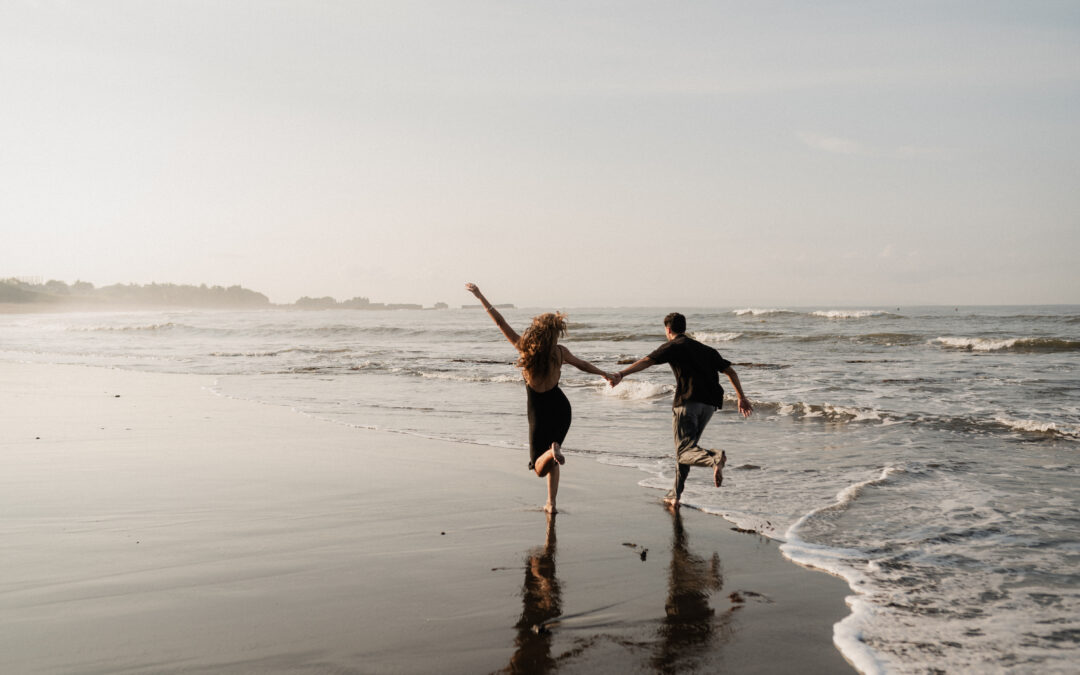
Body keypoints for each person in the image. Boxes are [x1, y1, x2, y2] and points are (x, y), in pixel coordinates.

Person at [466, 283, 615, 514]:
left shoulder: (525, 349)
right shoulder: (561, 352)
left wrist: (480, 297)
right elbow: (583, 365)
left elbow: (500, 322)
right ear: (556, 332)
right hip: (561, 409)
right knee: (552, 459)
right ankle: (551, 503)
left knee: (539, 466)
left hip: (539, 411)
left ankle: (551, 458)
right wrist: (604, 374)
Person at [611, 312, 752, 508]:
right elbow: (730, 371)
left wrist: (621, 374)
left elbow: (647, 361)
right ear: (684, 328)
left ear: (668, 329)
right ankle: (675, 495)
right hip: (710, 405)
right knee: (688, 448)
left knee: (684, 451)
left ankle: (714, 458)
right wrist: (741, 397)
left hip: (688, 402)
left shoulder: (673, 346)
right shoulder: (706, 349)